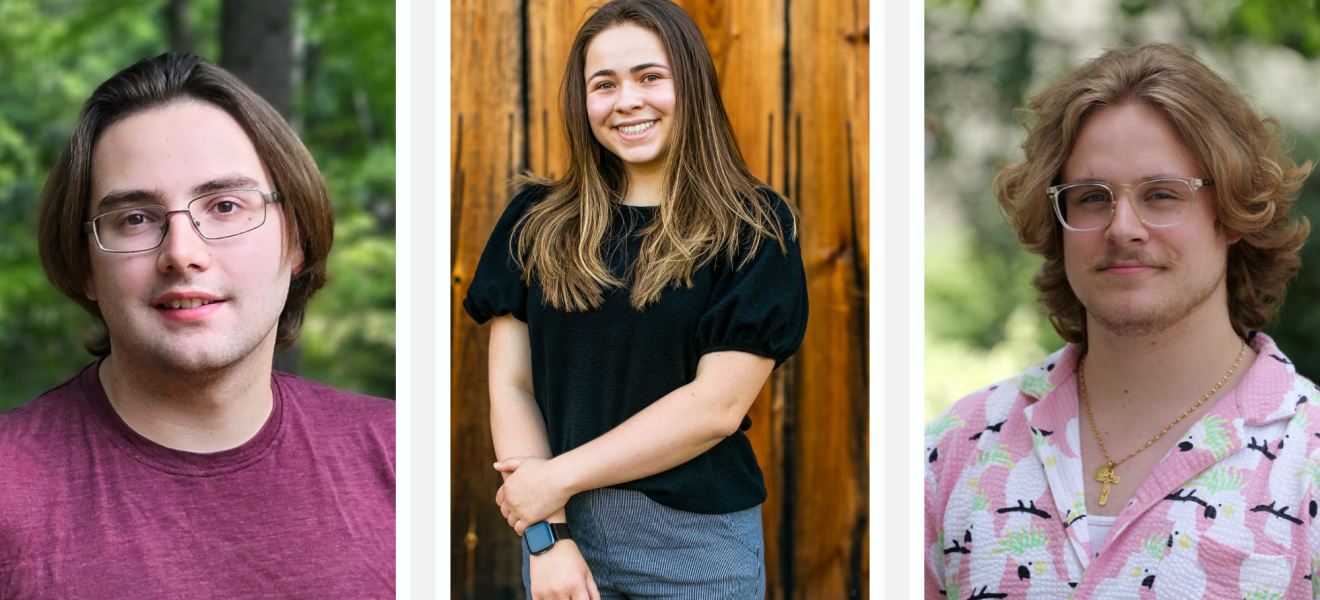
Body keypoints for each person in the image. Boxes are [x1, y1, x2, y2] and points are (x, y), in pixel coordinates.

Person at [925, 43, 1320, 599]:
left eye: (1162, 194)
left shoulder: (1309, 457)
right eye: (1092, 198)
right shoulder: (955, 450)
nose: (1123, 228)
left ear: (1232, 213)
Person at [0, 53, 395, 598]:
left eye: (226, 206)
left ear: (298, 238)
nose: (183, 253)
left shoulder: (401, 456)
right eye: (135, 218)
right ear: (84, 265)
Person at [463, 0, 808, 598]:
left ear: (691, 85)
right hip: (560, 544)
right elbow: (511, 386)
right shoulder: (535, 222)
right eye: (605, 84)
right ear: (584, 101)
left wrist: (555, 480)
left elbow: (715, 407)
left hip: (698, 549)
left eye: (651, 77)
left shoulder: (753, 227)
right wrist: (546, 538)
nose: (627, 100)